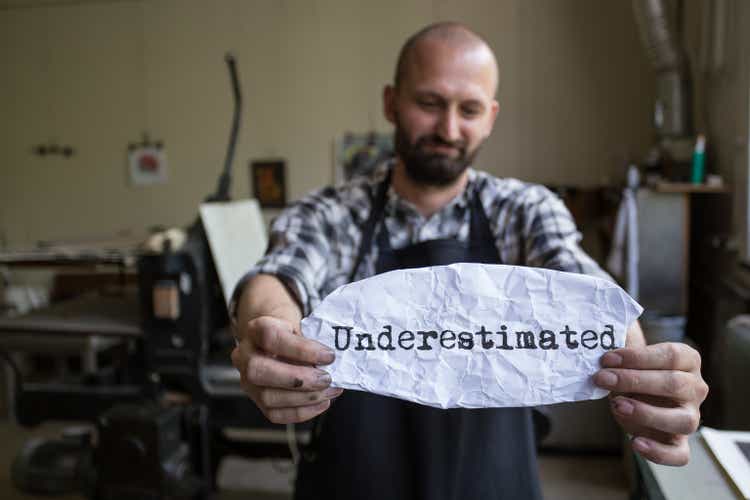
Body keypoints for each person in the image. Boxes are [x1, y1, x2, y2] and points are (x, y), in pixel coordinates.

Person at [230, 22, 708, 500]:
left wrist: (643, 378)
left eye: (470, 109)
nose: (449, 129)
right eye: (430, 103)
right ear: (391, 102)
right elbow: (280, 275)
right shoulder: (333, 212)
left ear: (491, 117)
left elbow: (581, 287)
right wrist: (271, 330)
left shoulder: (523, 211)